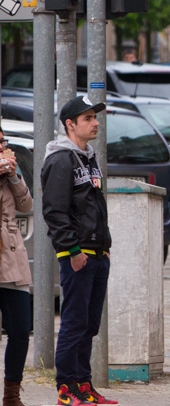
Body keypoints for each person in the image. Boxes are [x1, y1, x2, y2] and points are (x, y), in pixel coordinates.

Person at [42, 97, 116, 406]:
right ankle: (66, 388)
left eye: (95, 117)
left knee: (89, 323)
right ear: (70, 124)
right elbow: (55, 212)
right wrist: (73, 250)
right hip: (77, 254)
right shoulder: (61, 160)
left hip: (97, 252)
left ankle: (83, 384)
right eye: (88, 118)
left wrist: (105, 247)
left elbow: (95, 206)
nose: (96, 122)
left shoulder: (88, 158)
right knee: (73, 322)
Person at [0, 126, 32, 406]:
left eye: (3, 142)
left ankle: (11, 395)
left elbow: (26, 204)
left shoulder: (8, 175)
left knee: (21, 329)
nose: (2, 148)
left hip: (11, 258)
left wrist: (13, 176)